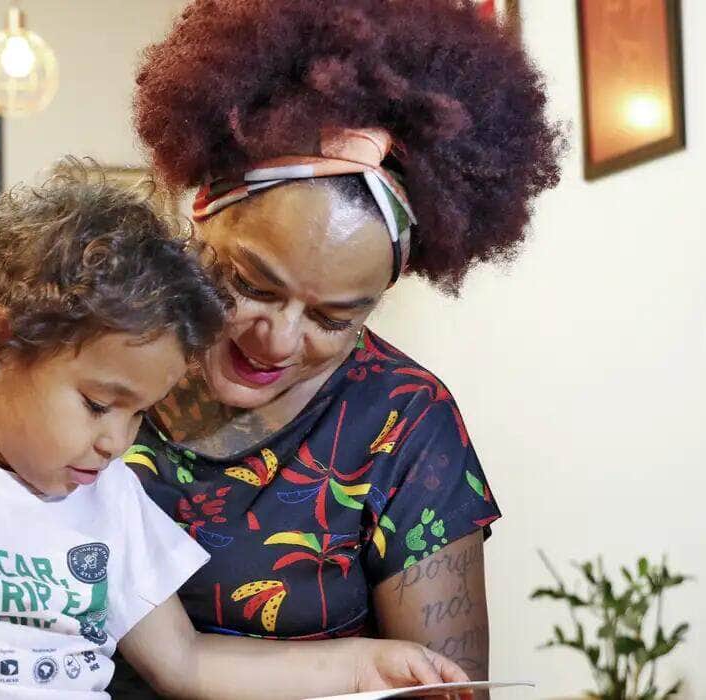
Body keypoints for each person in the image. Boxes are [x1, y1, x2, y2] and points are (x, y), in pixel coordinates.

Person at [0, 161, 469, 699]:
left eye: (139, 414)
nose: (119, 442)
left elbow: (187, 661)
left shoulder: (102, 494)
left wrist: (365, 664)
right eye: (102, 404)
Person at [109, 0, 563, 694]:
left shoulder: (403, 423)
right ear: (201, 210)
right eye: (251, 284)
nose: (278, 340)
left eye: (334, 317)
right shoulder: (91, 353)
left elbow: (442, 691)